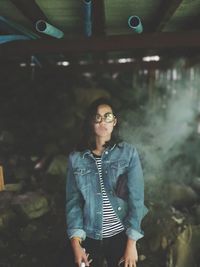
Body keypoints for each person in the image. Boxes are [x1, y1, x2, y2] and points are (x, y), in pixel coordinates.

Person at [66, 98, 147, 267]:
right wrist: (76, 244)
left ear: (114, 121)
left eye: (107, 116)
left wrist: (131, 244)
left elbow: (137, 199)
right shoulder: (76, 159)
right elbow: (73, 202)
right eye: (97, 117)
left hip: (121, 234)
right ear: (90, 122)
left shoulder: (128, 153)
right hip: (89, 234)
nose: (103, 121)